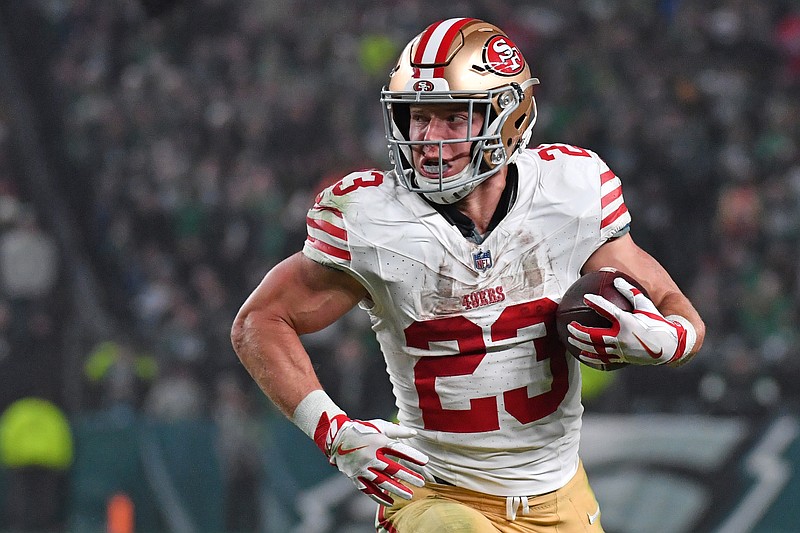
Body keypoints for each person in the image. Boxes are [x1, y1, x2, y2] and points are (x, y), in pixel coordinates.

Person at [231, 17, 706, 533]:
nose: (430, 140)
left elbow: (674, 305)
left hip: (560, 496)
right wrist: (333, 431)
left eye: (454, 119)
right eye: (418, 118)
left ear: (509, 120)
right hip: (435, 495)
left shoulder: (569, 193)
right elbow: (259, 321)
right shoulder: (371, 218)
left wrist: (671, 338)